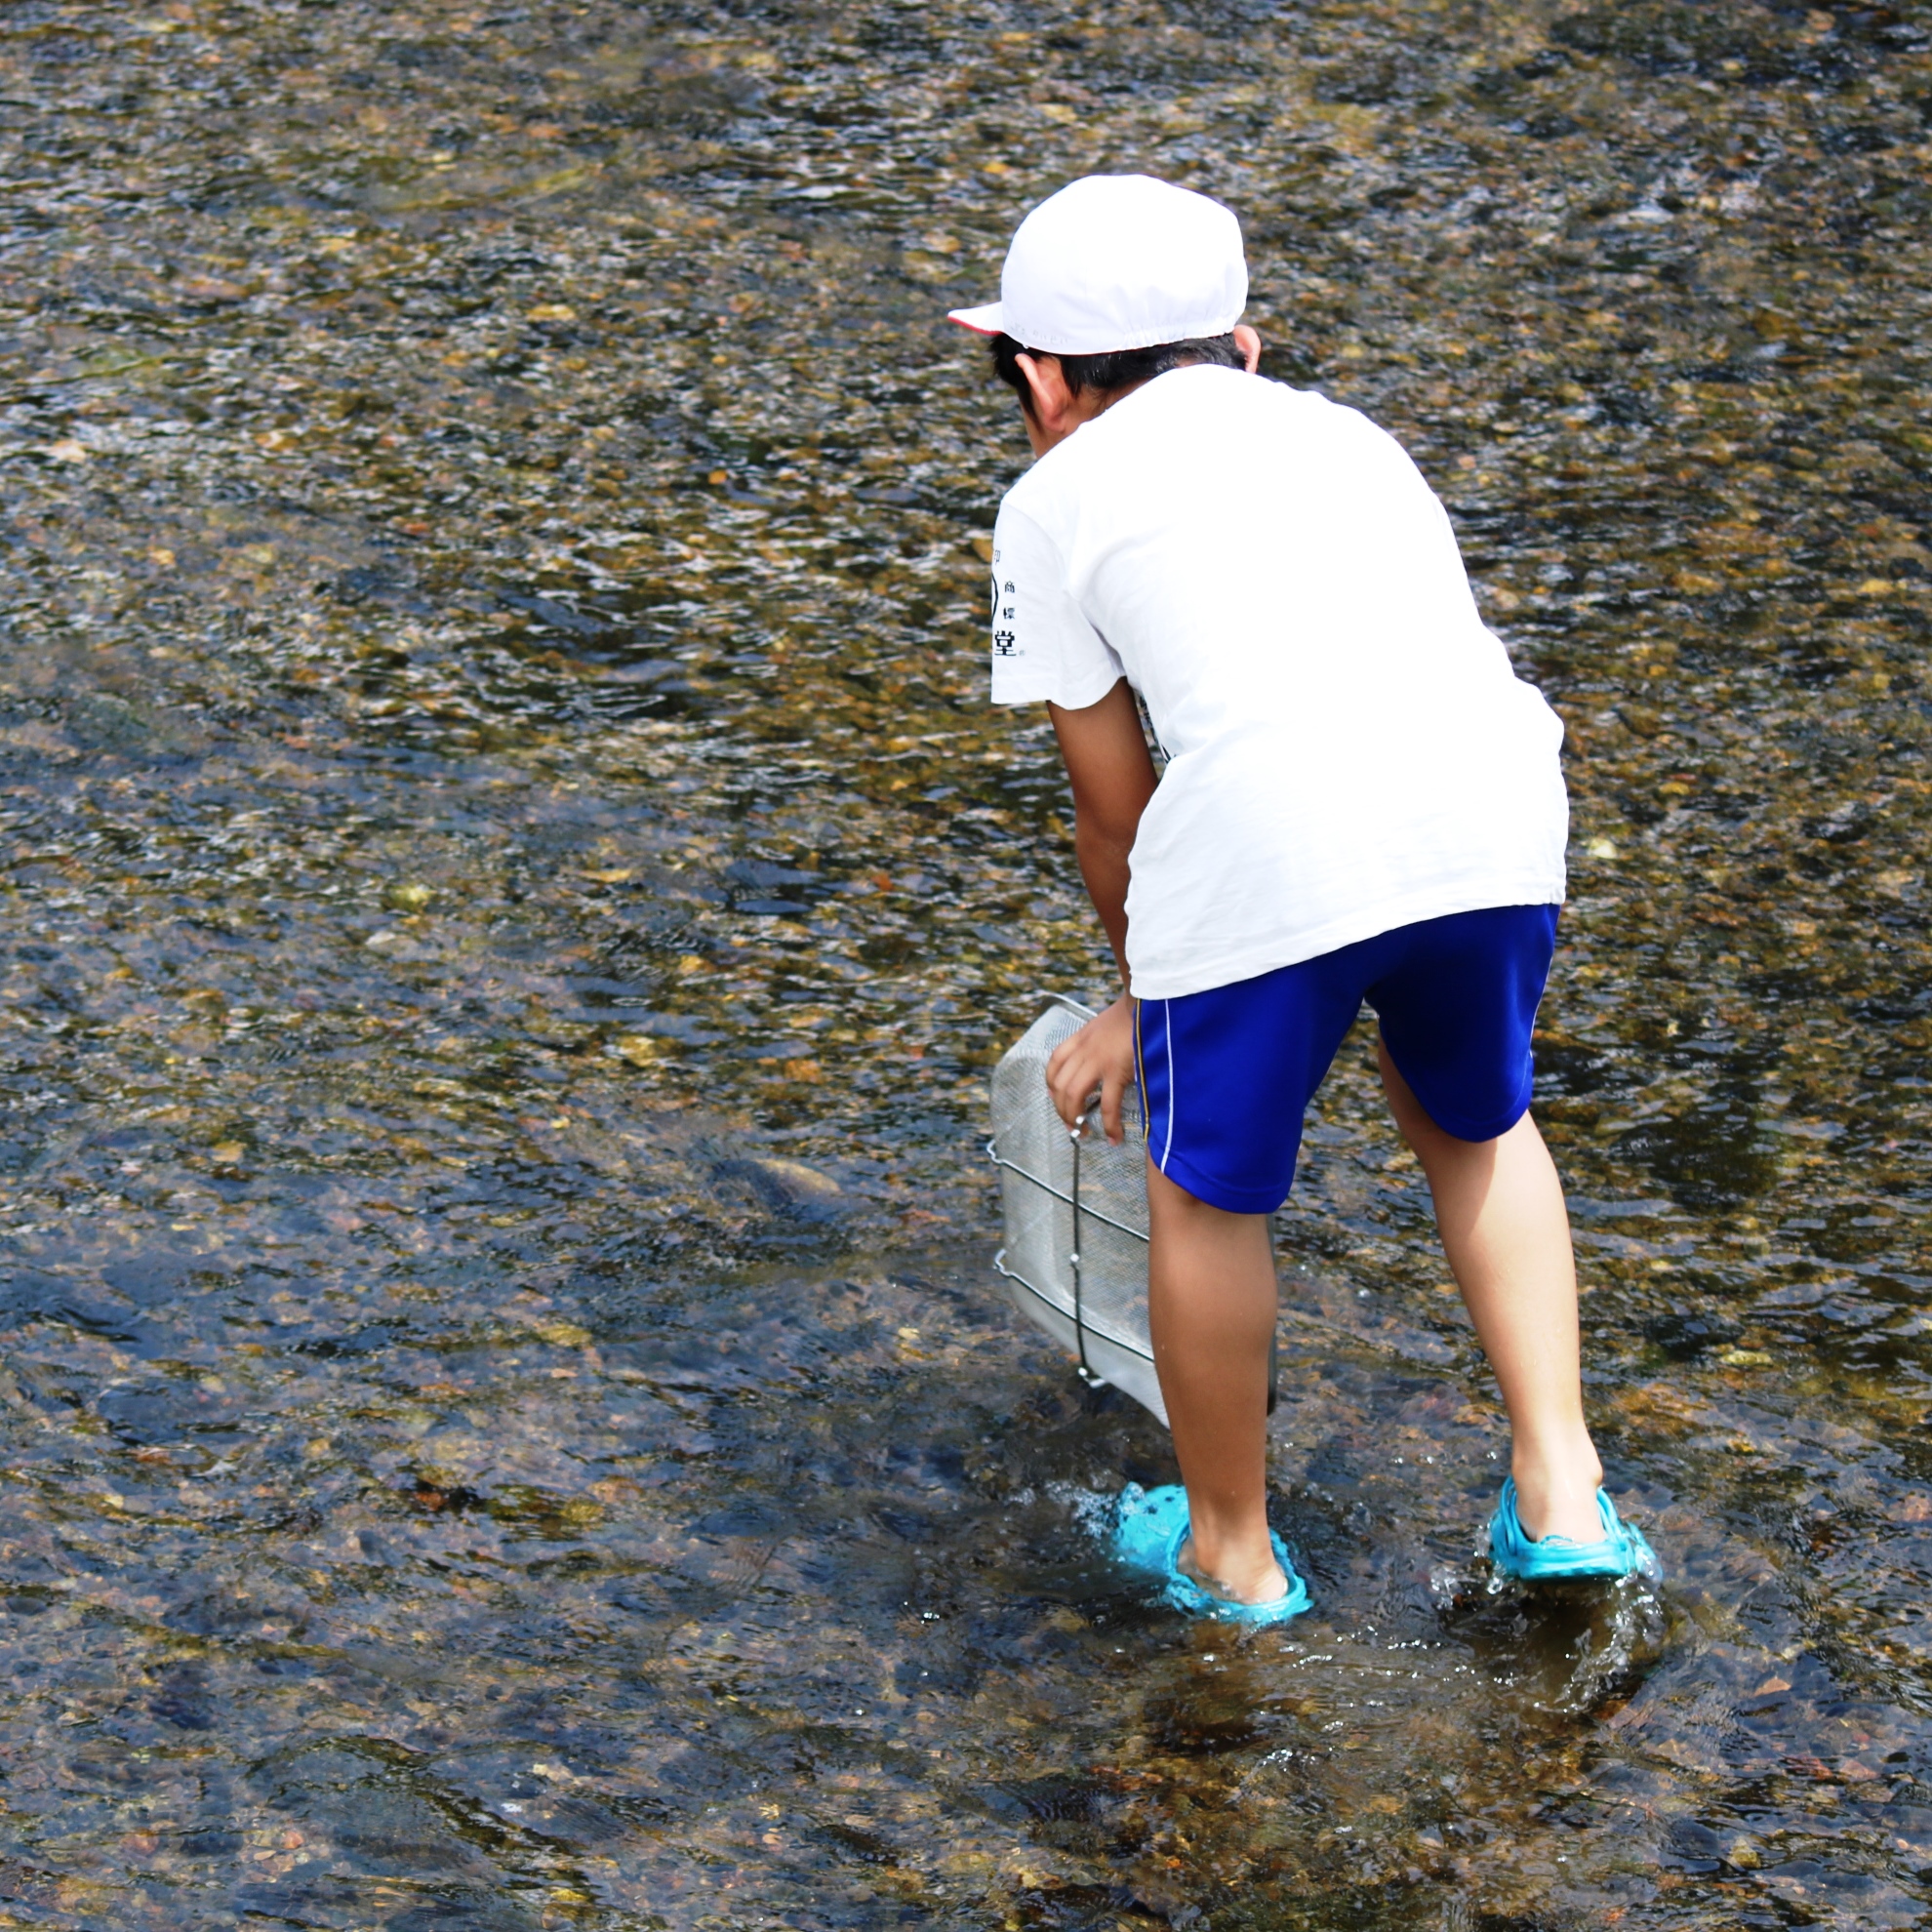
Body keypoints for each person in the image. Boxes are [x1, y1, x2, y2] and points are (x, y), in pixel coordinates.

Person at [950, 175, 1657, 1623]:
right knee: (1476, 1116)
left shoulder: (1052, 499)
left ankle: (1231, 1551)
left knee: (1206, 1189)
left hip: (1269, 837)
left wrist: (1149, 1001)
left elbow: (1113, 805)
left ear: (1037, 377)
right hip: (1498, 804)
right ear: (1245, 347)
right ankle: (1563, 1495)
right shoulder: (1351, 439)